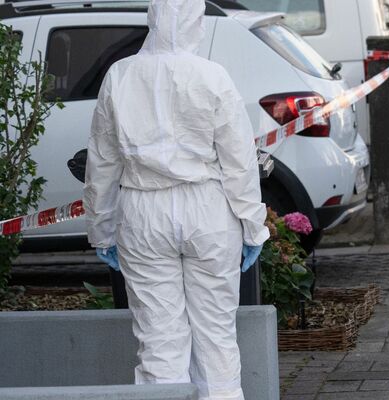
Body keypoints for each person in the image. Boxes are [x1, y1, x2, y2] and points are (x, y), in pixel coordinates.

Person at [84, 0, 269, 398]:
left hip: (141, 211)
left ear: (151, 19)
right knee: (216, 335)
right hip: (208, 210)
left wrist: (101, 231)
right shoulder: (212, 75)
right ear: (195, 22)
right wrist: (254, 226)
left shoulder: (120, 75)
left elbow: (102, 162)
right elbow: (239, 162)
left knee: (158, 339)